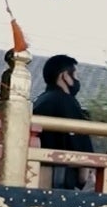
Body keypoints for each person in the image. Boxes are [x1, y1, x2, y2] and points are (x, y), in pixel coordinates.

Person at [32, 53, 95, 191]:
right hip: (60, 181)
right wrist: (86, 174)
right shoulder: (66, 101)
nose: (77, 80)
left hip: (35, 175)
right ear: (65, 75)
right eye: (76, 75)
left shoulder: (40, 100)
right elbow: (79, 147)